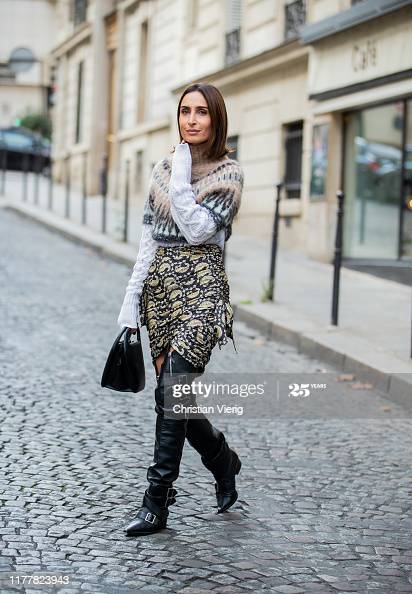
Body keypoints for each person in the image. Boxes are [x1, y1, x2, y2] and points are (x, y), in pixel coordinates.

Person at [117, 82, 244, 536]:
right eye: (185, 111)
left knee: (173, 391)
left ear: (216, 119)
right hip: (161, 292)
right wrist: (131, 302)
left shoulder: (229, 175)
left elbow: (196, 231)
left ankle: (156, 501)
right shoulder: (162, 167)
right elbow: (148, 241)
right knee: (174, 397)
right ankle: (223, 461)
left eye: (202, 112)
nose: (191, 119)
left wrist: (183, 173)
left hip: (203, 289)